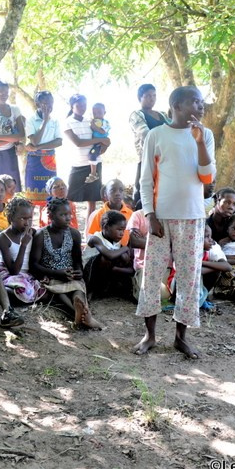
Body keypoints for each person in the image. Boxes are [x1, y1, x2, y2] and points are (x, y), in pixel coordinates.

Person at [134, 86, 215, 359]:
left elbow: (207, 177)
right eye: (195, 101)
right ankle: (150, 335)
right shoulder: (156, 136)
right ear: (177, 105)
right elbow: (145, 180)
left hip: (193, 217)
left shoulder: (205, 135)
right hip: (161, 218)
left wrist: (200, 142)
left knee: (189, 278)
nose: (201, 106)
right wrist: (150, 215)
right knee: (152, 275)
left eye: (202, 102)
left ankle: (181, 337)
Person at [30, 197, 101, 329]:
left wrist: (79, 271)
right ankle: (80, 315)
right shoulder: (41, 235)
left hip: (69, 275)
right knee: (58, 293)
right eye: (62, 215)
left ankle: (78, 306)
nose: (68, 218)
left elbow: (77, 260)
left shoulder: (74, 234)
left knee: (78, 289)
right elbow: (33, 264)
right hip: (50, 276)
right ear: (50, 216)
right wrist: (56, 273)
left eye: (69, 214)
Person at [64, 94, 110, 216]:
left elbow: (102, 138)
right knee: (69, 198)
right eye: (79, 105)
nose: (82, 108)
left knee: (92, 201)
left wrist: (105, 144)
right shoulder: (67, 122)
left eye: (84, 105)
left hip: (94, 166)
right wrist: (100, 141)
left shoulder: (91, 121)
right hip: (78, 165)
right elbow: (78, 143)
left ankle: (89, 232)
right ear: (72, 106)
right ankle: (68, 229)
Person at [0, 197, 45, 304]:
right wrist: (23, 245)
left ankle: (14, 295)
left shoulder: (33, 233)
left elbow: (35, 260)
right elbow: (13, 271)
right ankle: (3, 291)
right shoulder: (3, 238)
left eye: (30, 218)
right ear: (10, 218)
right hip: (9, 274)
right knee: (23, 290)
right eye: (22, 219)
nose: (27, 223)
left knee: (45, 292)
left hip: (27, 274)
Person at [129, 84, 169, 209]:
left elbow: (173, 130)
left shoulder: (162, 115)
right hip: (147, 159)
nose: (152, 98)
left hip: (164, 159)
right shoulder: (137, 115)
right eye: (147, 96)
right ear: (140, 98)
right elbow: (145, 134)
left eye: (154, 95)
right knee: (143, 192)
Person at [83, 210, 133, 299]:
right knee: (105, 258)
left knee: (124, 259)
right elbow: (109, 255)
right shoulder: (95, 238)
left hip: (106, 272)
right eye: (119, 229)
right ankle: (92, 290)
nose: (122, 233)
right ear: (106, 227)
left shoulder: (115, 241)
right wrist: (125, 248)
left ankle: (110, 288)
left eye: (123, 230)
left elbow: (126, 260)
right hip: (89, 273)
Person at [24, 91, 61, 203]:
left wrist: (38, 147)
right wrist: (44, 121)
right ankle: (29, 220)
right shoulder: (31, 120)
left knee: (50, 196)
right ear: (37, 104)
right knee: (32, 198)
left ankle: (45, 220)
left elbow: (59, 142)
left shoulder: (55, 121)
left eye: (51, 103)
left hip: (50, 161)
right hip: (34, 162)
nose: (49, 106)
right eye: (45, 103)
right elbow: (35, 141)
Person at [86, 103, 110, 184]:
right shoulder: (94, 121)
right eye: (94, 113)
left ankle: (93, 174)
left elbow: (102, 131)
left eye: (99, 113)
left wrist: (94, 126)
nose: (97, 115)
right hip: (95, 142)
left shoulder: (105, 122)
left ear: (104, 113)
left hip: (100, 142)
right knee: (92, 155)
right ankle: (93, 173)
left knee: (92, 155)